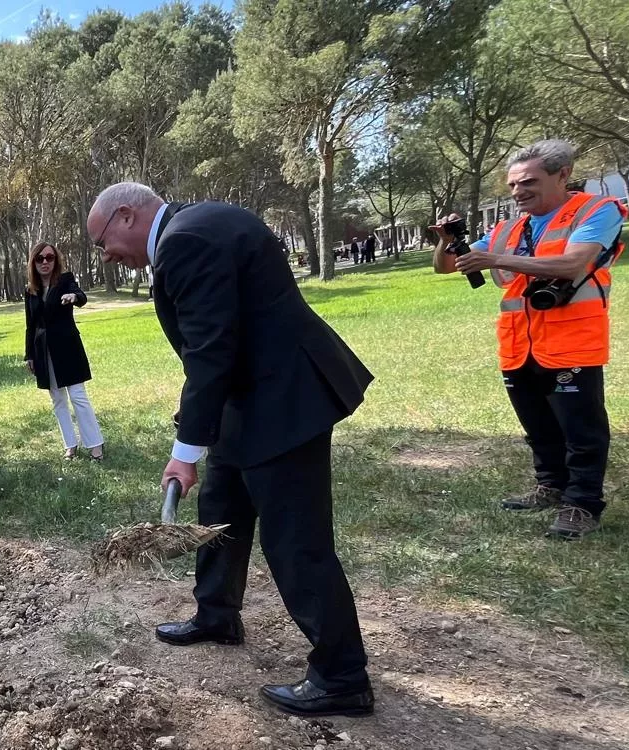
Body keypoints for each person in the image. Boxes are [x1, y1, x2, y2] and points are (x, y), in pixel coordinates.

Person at [88, 182, 376, 718]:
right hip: (248, 404)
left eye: (103, 242)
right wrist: (198, 424)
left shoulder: (184, 241)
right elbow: (225, 337)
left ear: (125, 215)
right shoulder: (199, 221)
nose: (106, 256)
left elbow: (211, 349)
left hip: (282, 404)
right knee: (221, 508)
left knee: (297, 543)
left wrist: (185, 451)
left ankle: (342, 677)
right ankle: (217, 614)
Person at [430, 140, 627, 540]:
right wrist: (445, 240)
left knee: (582, 431)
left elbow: (573, 263)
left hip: (571, 340)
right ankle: (550, 485)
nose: (518, 191)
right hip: (519, 343)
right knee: (537, 425)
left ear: (562, 175)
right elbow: (446, 267)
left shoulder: (595, 211)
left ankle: (582, 504)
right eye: (513, 184)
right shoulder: (508, 228)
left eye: (529, 182)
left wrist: (496, 259)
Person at [23, 242, 103, 461]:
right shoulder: (31, 290)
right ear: (33, 262)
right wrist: (29, 355)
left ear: (56, 260)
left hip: (67, 347)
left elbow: (80, 295)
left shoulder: (65, 280)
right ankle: (70, 445)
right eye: (40, 258)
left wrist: (73, 297)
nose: (45, 262)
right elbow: (30, 325)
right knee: (57, 399)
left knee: (77, 396)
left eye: (50, 257)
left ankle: (95, 445)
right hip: (43, 350)